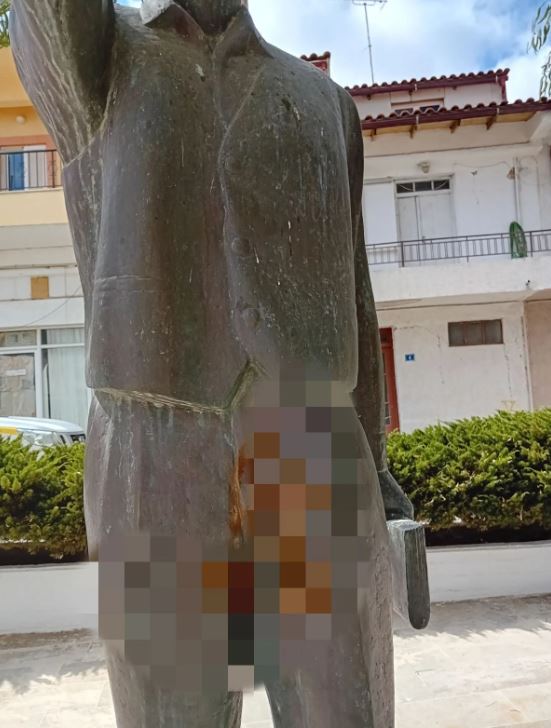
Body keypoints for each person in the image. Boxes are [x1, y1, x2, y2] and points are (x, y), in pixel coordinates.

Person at [11, 1, 413, 726]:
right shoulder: (100, 59)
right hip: (154, 450)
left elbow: (355, 294)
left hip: (314, 449)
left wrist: (377, 468)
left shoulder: (324, 103)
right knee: (175, 711)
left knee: (341, 708)